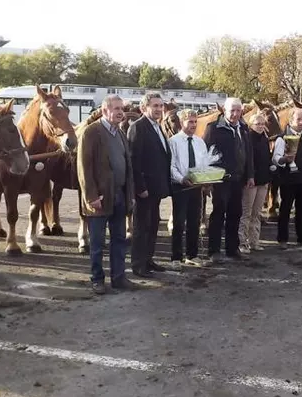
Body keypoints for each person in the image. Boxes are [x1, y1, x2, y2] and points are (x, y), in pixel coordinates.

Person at [77, 94, 137, 295]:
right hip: (100, 199)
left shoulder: (120, 133)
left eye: (122, 108)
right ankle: (97, 279)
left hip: (119, 195)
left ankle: (119, 278)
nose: (121, 112)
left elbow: (127, 166)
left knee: (119, 240)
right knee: (97, 243)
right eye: (116, 108)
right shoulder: (91, 132)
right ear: (105, 110)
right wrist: (91, 197)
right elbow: (84, 168)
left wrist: (130, 194)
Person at [204, 97, 254, 262]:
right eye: (232, 110)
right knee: (219, 213)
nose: (235, 114)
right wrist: (209, 179)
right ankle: (214, 251)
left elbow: (248, 154)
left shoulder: (244, 128)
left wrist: (250, 175)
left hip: (238, 180)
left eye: (238, 110)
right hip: (221, 180)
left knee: (236, 213)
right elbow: (206, 155)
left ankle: (232, 249)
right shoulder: (214, 129)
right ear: (224, 111)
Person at [128, 93, 172, 278]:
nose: (159, 109)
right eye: (155, 106)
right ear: (144, 108)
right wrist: (140, 187)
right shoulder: (138, 127)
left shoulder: (157, 127)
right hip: (144, 189)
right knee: (141, 227)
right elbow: (134, 161)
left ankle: (148, 259)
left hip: (156, 188)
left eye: (161, 106)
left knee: (153, 224)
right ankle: (138, 265)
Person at [272, 107, 302, 250]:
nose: (301, 122)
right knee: (285, 209)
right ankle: (282, 239)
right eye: (298, 119)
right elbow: (275, 159)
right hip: (288, 180)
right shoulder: (282, 138)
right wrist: (284, 159)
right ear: (291, 120)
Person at [168, 109, 213, 270]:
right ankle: (176, 257)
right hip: (180, 187)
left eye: (195, 122)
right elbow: (171, 166)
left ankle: (192, 255)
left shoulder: (200, 142)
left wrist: (207, 180)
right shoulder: (173, 142)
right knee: (179, 223)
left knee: (195, 221)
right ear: (181, 122)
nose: (193, 125)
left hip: (196, 187)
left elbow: (205, 163)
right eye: (190, 122)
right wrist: (181, 179)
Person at [239, 113, 272, 254]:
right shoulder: (247, 138)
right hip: (251, 181)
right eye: (257, 124)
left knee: (257, 213)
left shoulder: (265, 138)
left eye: (262, 123)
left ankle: (254, 241)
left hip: (263, 180)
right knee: (246, 212)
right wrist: (249, 177)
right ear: (251, 124)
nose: (260, 126)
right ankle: (242, 242)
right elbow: (247, 161)